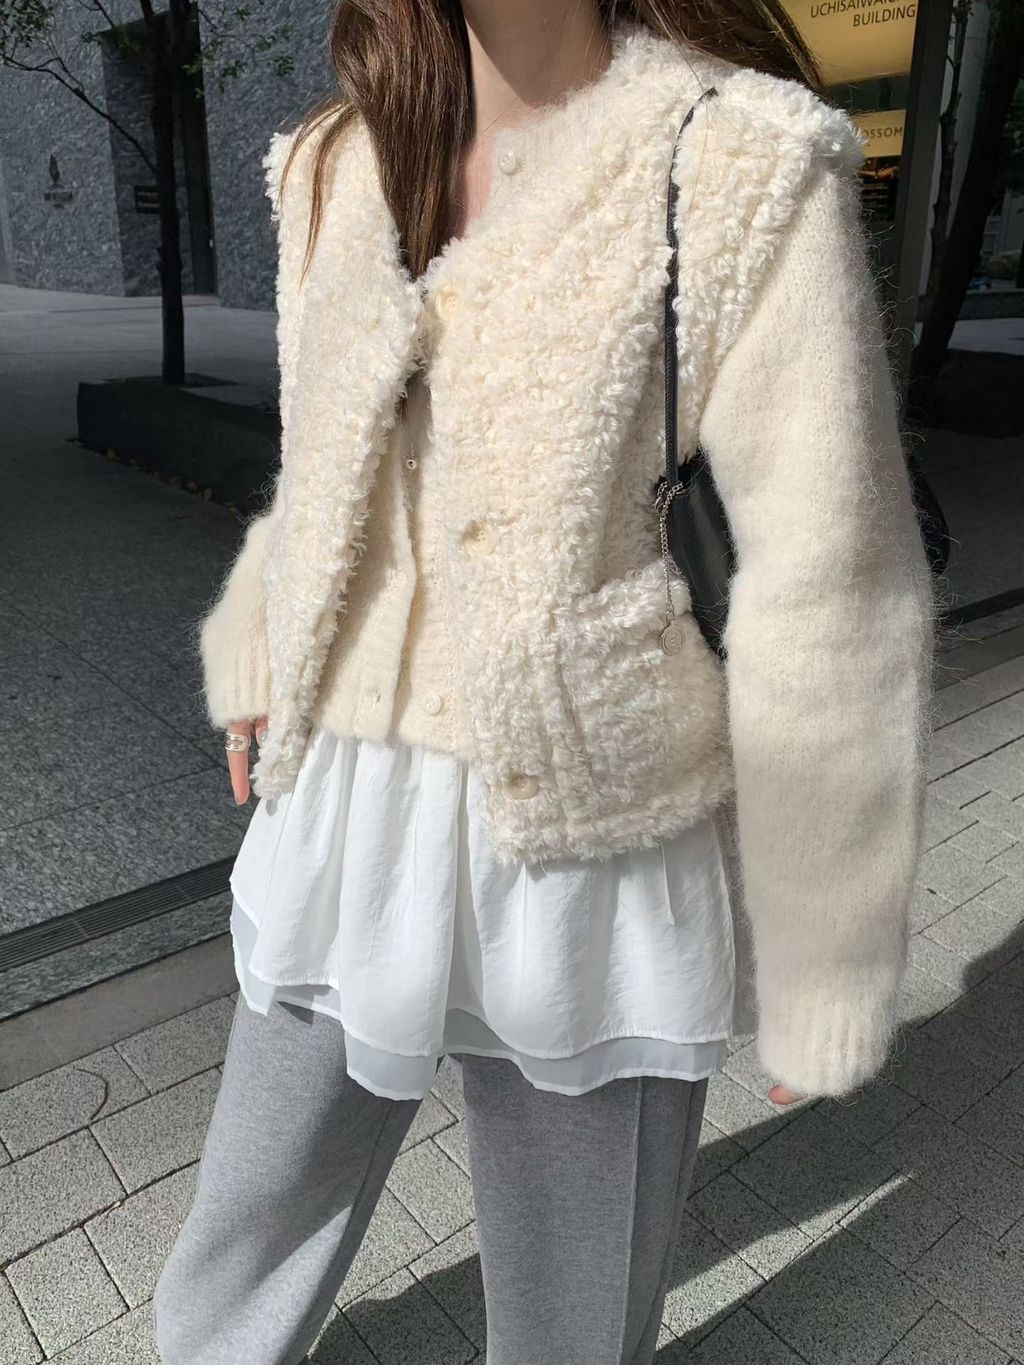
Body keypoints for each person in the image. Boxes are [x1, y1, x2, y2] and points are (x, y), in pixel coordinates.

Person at [154, 1, 936, 1361]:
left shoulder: (736, 158)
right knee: (245, 1225)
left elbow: (831, 586)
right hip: (346, 804)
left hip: (597, 827)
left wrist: (826, 952)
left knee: (575, 1311)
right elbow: (322, 459)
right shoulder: (334, 160)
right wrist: (261, 642)